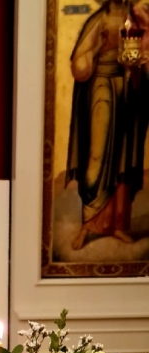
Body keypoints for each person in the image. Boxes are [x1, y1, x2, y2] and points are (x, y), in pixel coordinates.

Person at [67, 0, 149, 250]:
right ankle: (88, 223)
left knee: (124, 156)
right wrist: (96, 49)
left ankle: (119, 225)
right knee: (98, 154)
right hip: (102, 87)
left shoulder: (136, 18)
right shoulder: (98, 20)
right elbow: (79, 65)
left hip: (128, 88)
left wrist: (138, 61)